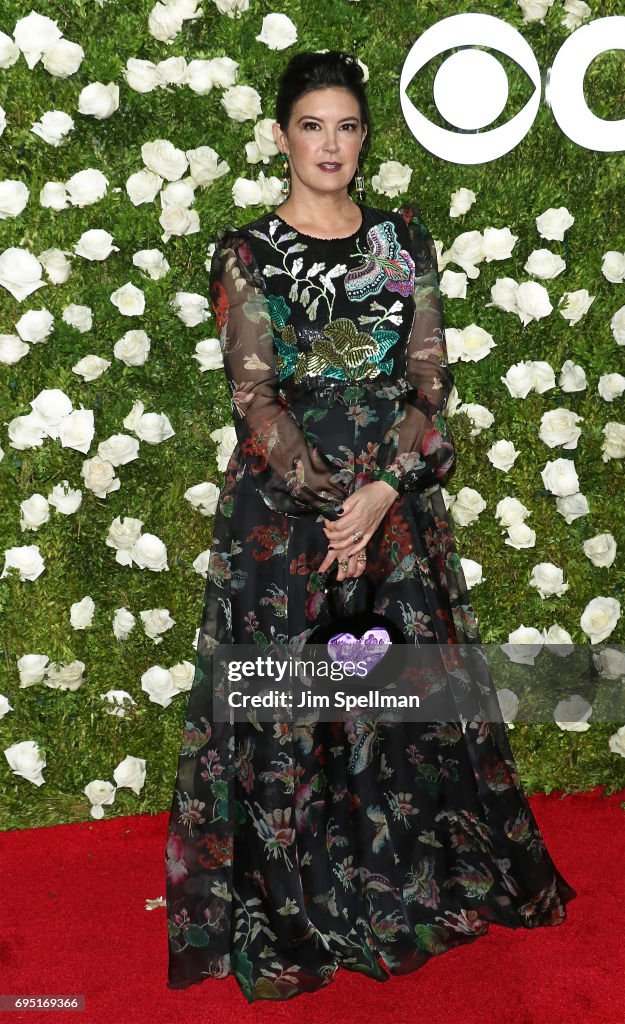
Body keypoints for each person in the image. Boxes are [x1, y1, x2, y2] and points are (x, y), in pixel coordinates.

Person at [165, 49, 576, 1003]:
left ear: (363, 138)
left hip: (393, 512)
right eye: (313, 125)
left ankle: (408, 877)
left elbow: (430, 383)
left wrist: (383, 493)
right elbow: (254, 397)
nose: (331, 145)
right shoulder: (246, 250)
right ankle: (299, 893)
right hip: (285, 519)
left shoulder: (401, 238)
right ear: (281, 136)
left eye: (347, 127)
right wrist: (327, 506)